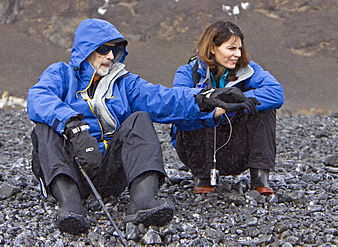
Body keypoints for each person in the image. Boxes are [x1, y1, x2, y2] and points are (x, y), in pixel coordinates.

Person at [27, 18, 248, 235]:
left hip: (108, 172)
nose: (110, 56)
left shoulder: (123, 82)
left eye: (115, 50)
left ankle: (143, 201)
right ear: (86, 49)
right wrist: (72, 124)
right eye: (104, 49)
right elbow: (38, 97)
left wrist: (205, 98)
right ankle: (70, 205)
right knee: (43, 129)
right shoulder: (61, 74)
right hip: (72, 169)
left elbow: (162, 98)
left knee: (140, 119)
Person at [171, 20, 284, 195]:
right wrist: (216, 103)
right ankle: (203, 176)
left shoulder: (249, 69)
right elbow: (179, 105)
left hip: (237, 150)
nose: (237, 54)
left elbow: (276, 93)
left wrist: (237, 101)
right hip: (196, 150)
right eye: (231, 48)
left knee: (263, 108)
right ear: (212, 48)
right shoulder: (187, 72)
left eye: (239, 48)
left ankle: (260, 178)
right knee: (194, 110)